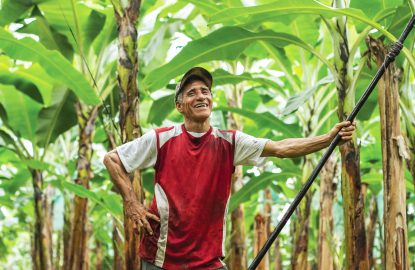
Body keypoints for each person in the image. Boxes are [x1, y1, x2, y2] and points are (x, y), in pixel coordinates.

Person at [103, 67, 356, 270]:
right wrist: (131, 202)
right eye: (191, 93)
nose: (201, 96)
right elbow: (112, 159)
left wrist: (327, 139)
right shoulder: (161, 139)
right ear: (179, 106)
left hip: (209, 262)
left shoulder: (230, 141)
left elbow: (280, 148)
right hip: (161, 259)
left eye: (205, 91)